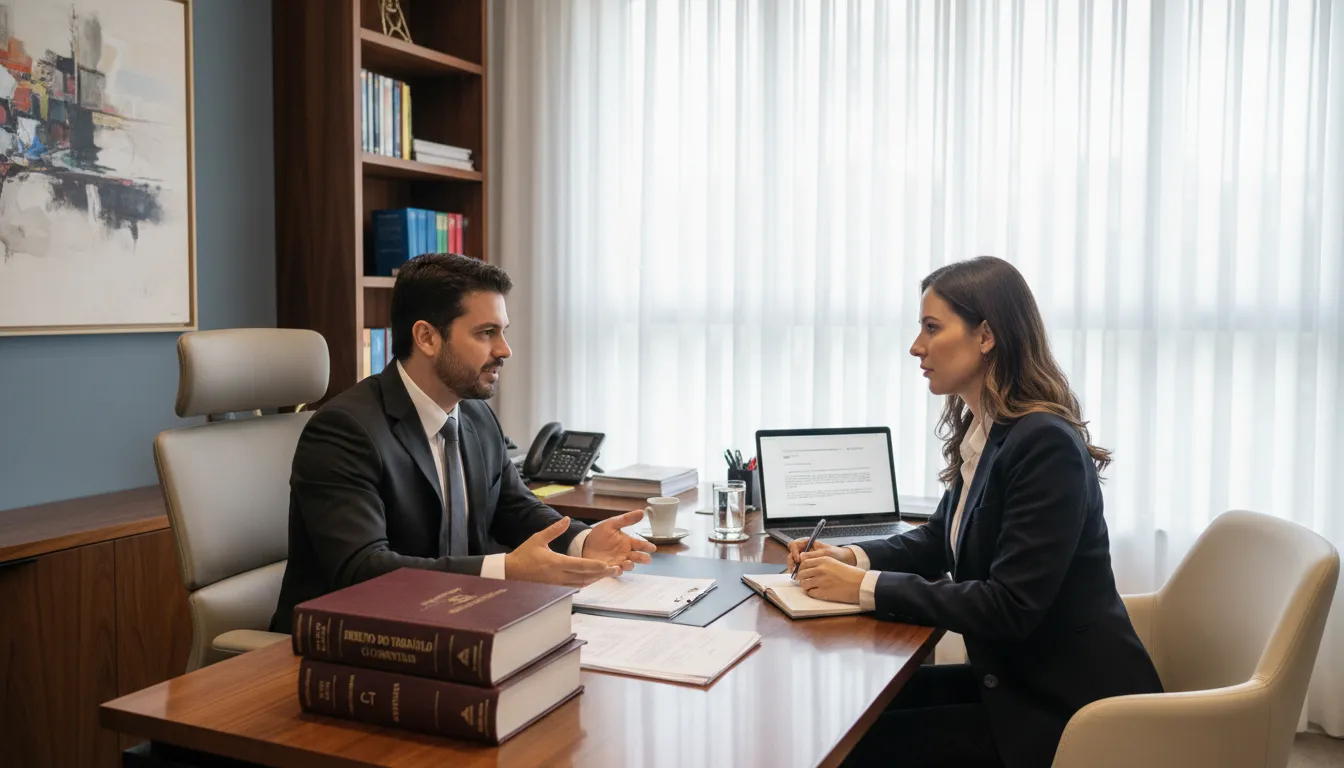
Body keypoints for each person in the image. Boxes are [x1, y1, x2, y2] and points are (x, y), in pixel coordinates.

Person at [789, 256, 1162, 768]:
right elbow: (941, 539)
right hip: (1014, 681)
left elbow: (1009, 608)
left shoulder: (1044, 443)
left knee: (852, 747)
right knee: (848, 722)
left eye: (931, 328)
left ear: (985, 335)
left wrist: (861, 589)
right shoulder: (990, 429)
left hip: (1066, 710)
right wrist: (851, 557)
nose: (916, 346)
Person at [271, 254, 655, 631]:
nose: (504, 350)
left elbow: (515, 507)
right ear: (426, 337)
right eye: (486, 333)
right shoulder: (345, 430)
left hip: (453, 625)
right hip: (340, 644)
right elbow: (362, 569)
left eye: (503, 331)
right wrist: (506, 571)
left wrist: (583, 542)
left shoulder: (473, 414)